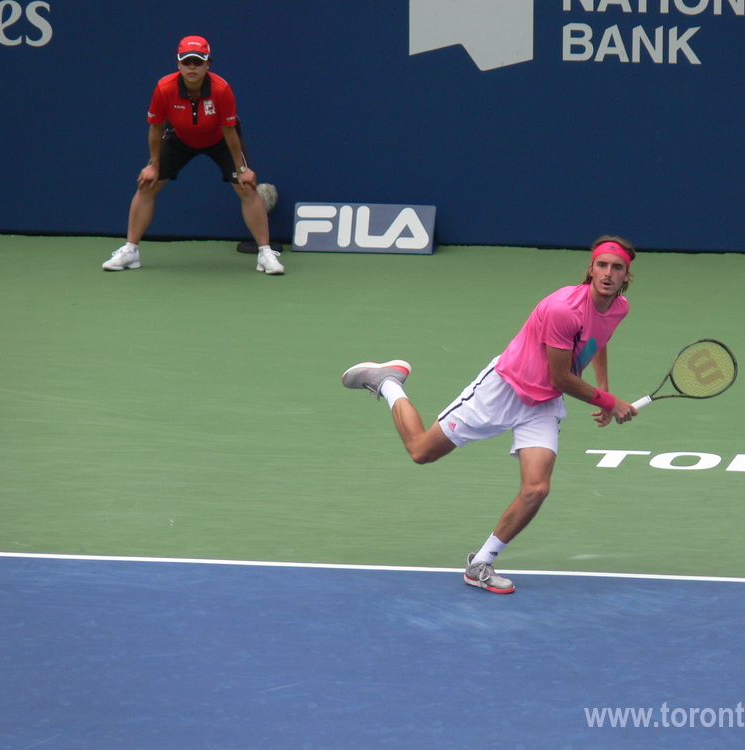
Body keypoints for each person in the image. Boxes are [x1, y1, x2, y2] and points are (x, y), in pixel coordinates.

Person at [341, 237, 639, 594]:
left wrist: (603, 387)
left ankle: (481, 563)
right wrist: (607, 401)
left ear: (626, 276)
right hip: (504, 388)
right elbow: (562, 376)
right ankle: (388, 382)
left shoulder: (619, 308)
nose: (608, 274)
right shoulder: (563, 309)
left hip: (542, 406)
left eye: (616, 268)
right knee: (421, 451)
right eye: (602, 266)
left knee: (537, 489)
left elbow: (598, 340)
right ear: (590, 269)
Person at [102, 35, 283, 275]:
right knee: (147, 184)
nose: (192, 67)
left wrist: (241, 170)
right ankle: (131, 250)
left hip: (220, 139)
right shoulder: (164, 88)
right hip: (180, 138)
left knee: (247, 187)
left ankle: (265, 254)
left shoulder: (221, 89)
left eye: (198, 62)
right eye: (187, 62)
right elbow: (155, 128)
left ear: (208, 64)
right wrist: (154, 165)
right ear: (178, 64)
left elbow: (230, 131)